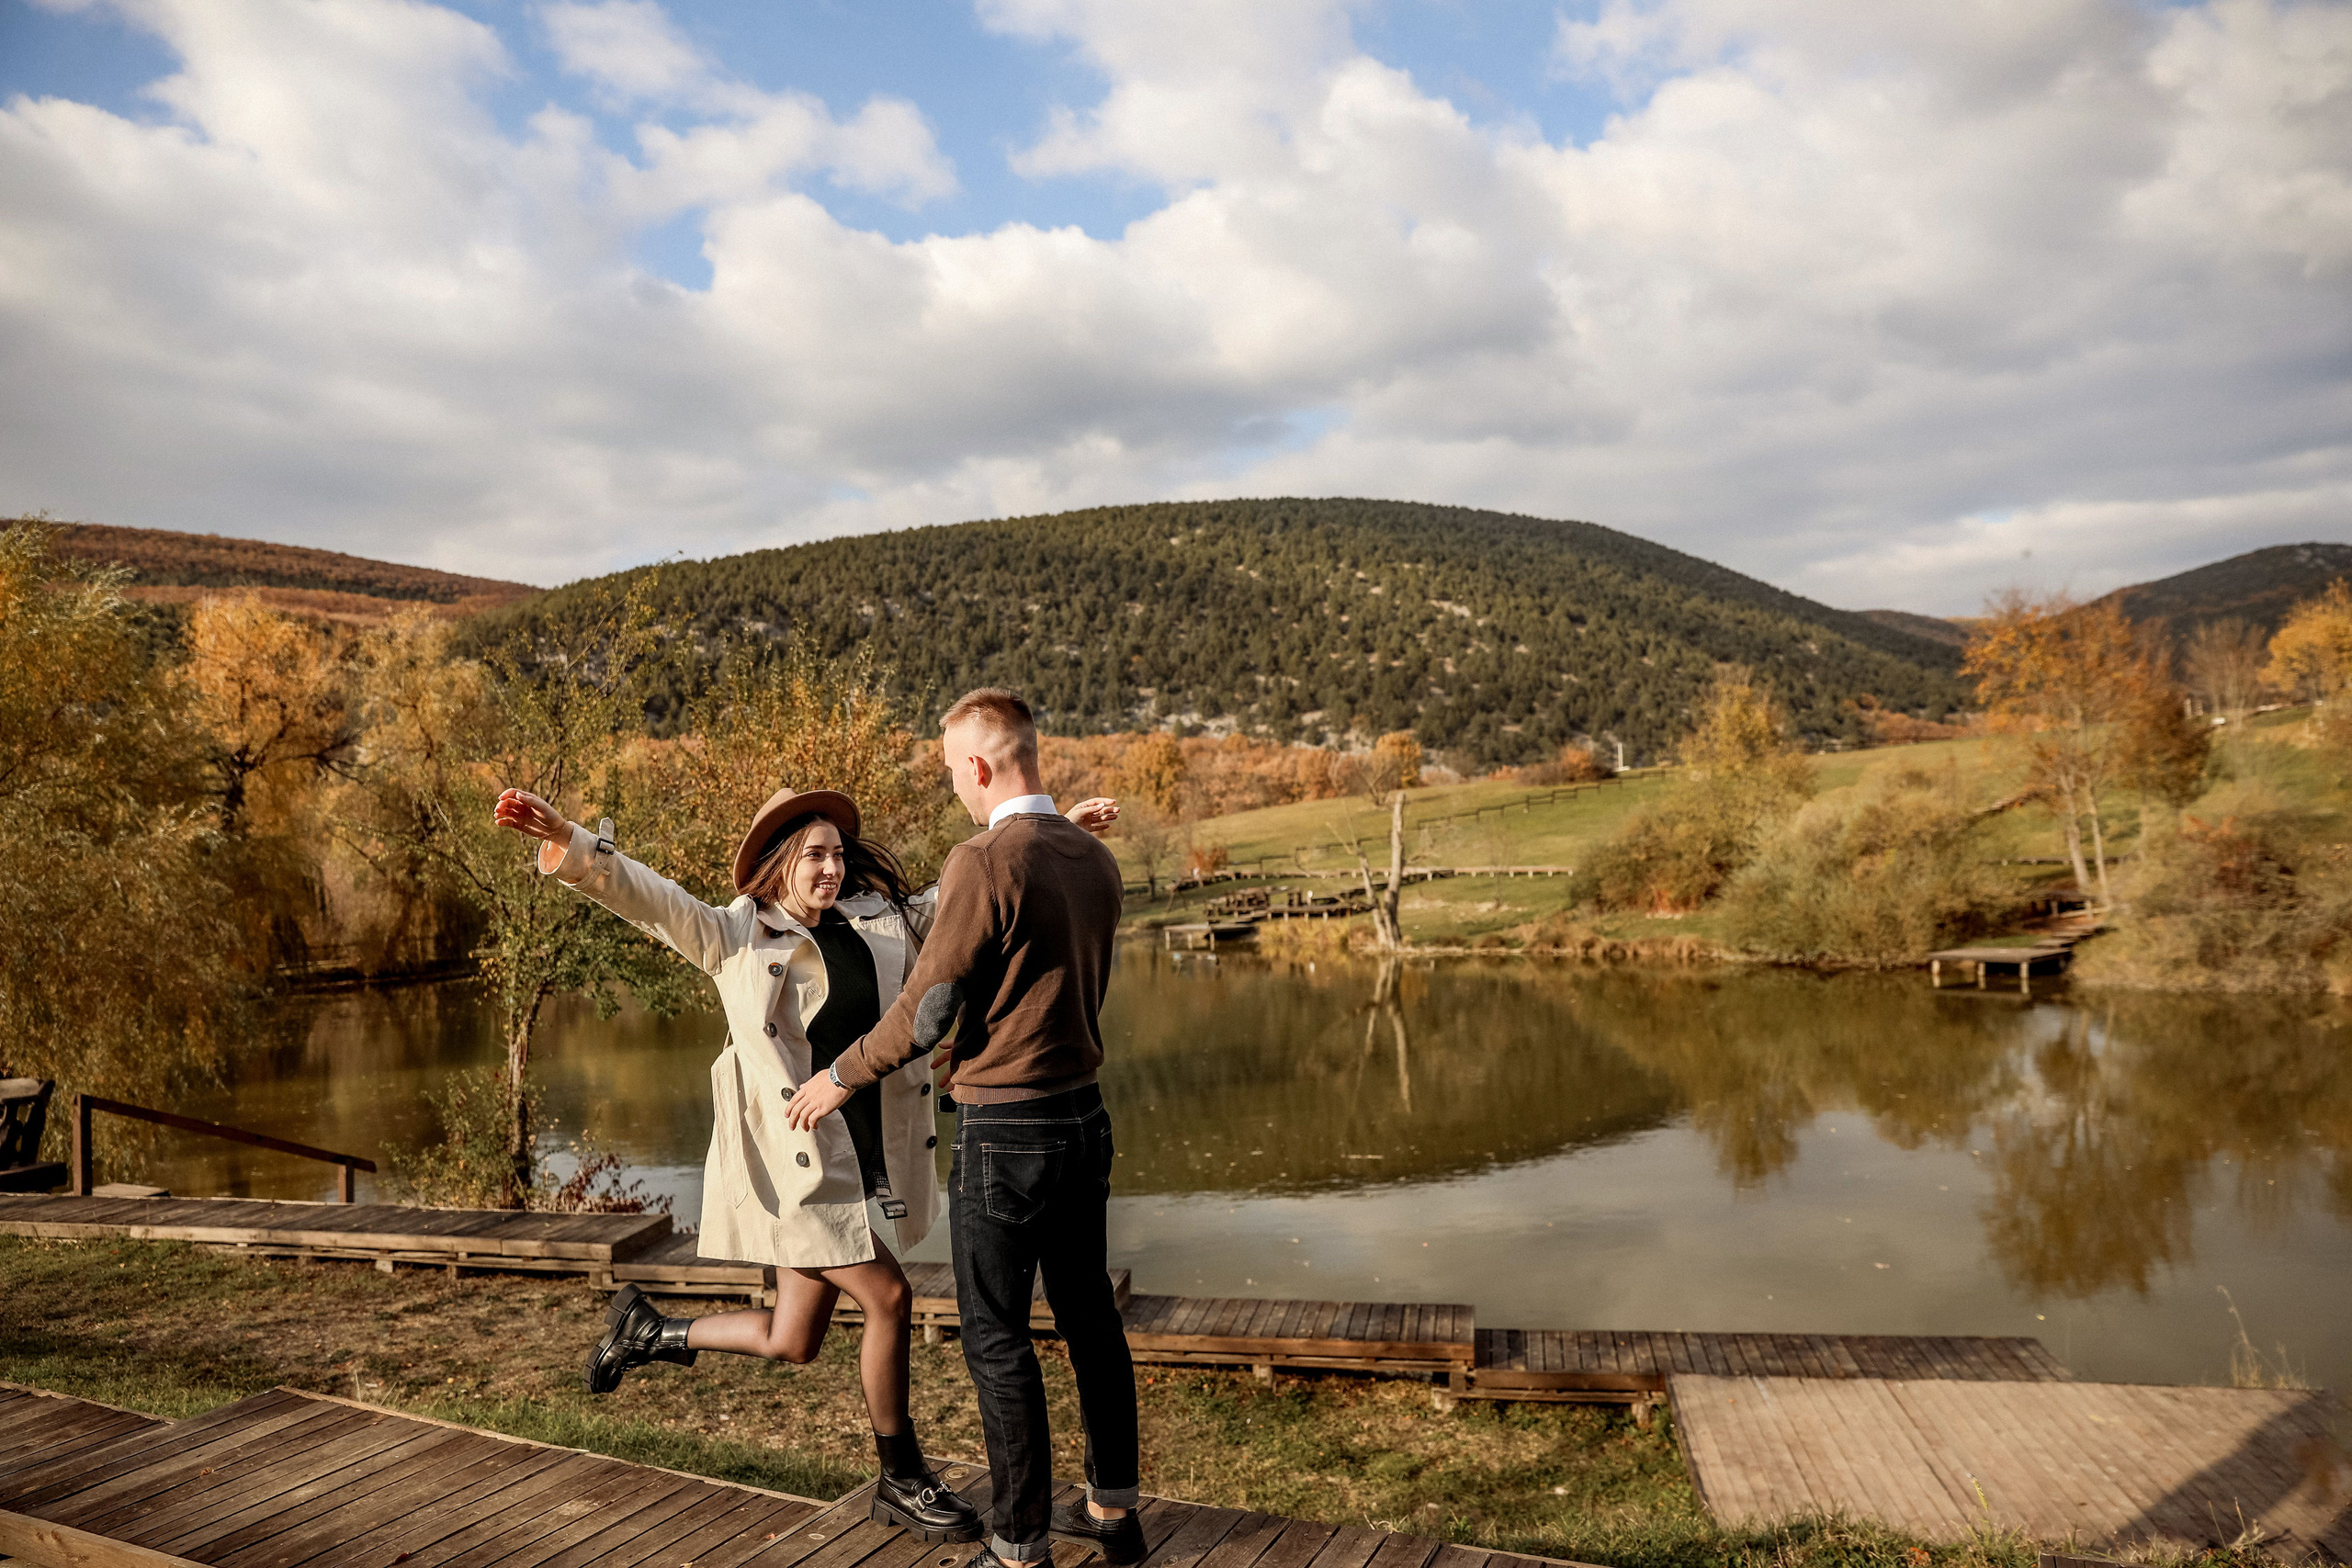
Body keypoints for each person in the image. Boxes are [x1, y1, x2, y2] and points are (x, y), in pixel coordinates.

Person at [489, 780, 1114, 1544]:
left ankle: (650, 1331)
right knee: (887, 1297)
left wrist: (1049, 834)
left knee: (795, 1339)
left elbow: (958, 894)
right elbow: (646, 894)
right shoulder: (732, 935)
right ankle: (901, 1474)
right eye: (814, 854)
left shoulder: (879, 921)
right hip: (801, 1170)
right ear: (780, 861)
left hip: (861, 1159)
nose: (830, 867)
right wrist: (572, 839)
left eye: (838, 853)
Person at [784, 689, 1142, 1568]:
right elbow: (1048, 986)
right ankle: (1112, 1511)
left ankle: (1019, 1544)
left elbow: (927, 1006)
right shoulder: (1094, 857)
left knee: (996, 1335)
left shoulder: (984, 859)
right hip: (1084, 1118)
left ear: (980, 766)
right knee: (1090, 1314)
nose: (955, 789)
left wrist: (839, 1075)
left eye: (952, 772)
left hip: (1007, 1134)